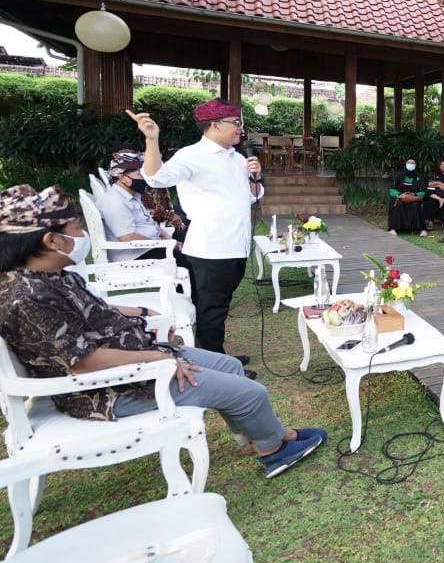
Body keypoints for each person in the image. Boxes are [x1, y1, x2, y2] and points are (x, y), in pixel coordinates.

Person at [0, 184, 328, 478]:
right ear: (51, 240)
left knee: (230, 366)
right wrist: (158, 358)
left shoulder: (51, 276)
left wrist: (143, 312)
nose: (82, 232)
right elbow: (83, 362)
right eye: (76, 227)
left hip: (133, 360)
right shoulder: (27, 297)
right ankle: (274, 450)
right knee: (251, 393)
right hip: (108, 390)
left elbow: (92, 310)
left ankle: (263, 434)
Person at [128, 101, 260, 361]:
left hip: (238, 244)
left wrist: (256, 177)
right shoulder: (192, 155)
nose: (240, 129)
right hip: (211, 247)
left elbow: (252, 197)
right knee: (212, 308)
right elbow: (156, 178)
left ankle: (215, 357)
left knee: (218, 307)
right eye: (236, 122)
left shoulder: (237, 158)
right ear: (215, 125)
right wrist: (152, 140)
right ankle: (216, 364)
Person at [95, 152, 183, 263]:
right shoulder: (116, 202)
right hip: (136, 256)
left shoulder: (132, 194)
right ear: (122, 177)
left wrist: (169, 239)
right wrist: (163, 244)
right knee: (193, 261)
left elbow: (149, 222)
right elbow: (127, 237)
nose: (145, 179)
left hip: (150, 246)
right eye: (140, 175)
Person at [387, 158, 426, 236]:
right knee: (399, 204)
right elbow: (392, 189)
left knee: (415, 205)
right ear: (405, 164)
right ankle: (393, 228)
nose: (410, 164)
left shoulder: (419, 177)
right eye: (409, 162)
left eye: (413, 163)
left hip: (413, 197)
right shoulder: (398, 175)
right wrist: (399, 195)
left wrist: (413, 196)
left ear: (415, 165)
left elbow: (422, 192)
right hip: (400, 196)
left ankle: (420, 229)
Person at [421, 160, 444, 233]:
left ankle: (429, 222)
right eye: (441, 164)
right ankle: (439, 200)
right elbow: (430, 184)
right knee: (428, 195)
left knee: (429, 197)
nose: (443, 166)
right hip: (434, 192)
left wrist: (438, 183)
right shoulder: (435, 174)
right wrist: (442, 185)